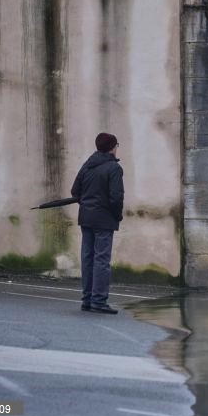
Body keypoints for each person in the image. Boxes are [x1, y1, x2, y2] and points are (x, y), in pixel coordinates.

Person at [71, 133, 124, 315]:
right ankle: (99, 300)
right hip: (104, 219)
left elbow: (74, 191)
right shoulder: (113, 168)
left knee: (87, 258)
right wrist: (117, 215)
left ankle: (87, 299)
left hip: (86, 218)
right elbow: (116, 197)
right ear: (112, 147)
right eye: (116, 145)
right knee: (101, 260)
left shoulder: (88, 164)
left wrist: (87, 205)